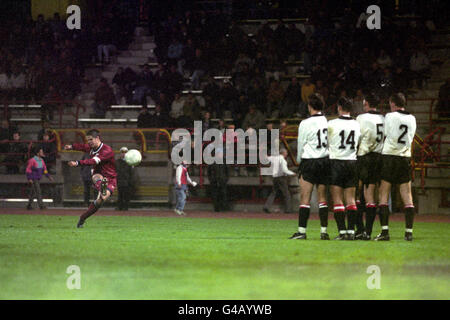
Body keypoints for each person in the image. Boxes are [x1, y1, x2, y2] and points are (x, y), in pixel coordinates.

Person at [375, 93, 417, 241]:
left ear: (393, 103)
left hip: (389, 157)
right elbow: (410, 137)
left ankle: (385, 232)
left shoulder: (390, 116)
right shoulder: (412, 118)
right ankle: (408, 232)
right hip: (404, 157)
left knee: (384, 193)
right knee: (407, 194)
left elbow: (386, 133)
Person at [290, 93, 330, 240]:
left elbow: (301, 145)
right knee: (322, 198)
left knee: (305, 197)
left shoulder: (305, 123)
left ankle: (302, 231)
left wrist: (299, 161)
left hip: (309, 161)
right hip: (324, 160)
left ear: (310, 106)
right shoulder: (327, 121)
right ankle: (324, 232)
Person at [64, 129, 117, 228]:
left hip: (110, 178)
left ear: (97, 138)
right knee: (96, 176)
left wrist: (78, 163)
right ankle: (102, 187)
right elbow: (83, 147)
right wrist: (71, 146)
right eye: (88, 140)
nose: (89, 142)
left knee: (101, 200)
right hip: (98, 174)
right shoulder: (91, 147)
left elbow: (94, 161)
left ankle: (83, 218)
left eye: (91, 139)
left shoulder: (107, 150)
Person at [328, 97, 361, 240]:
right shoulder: (357, 124)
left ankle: (342, 232)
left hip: (337, 162)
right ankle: (351, 232)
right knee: (351, 199)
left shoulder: (332, 123)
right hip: (352, 162)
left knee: (337, 199)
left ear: (339, 108)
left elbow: (327, 141)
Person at [355, 93, 385, 240]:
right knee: (370, 194)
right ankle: (366, 231)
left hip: (364, 157)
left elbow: (356, 137)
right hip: (378, 157)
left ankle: (362, 230)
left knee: (359, 194)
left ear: (366, 104)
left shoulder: (361, 118)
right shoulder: (383, 118)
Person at [263, 149, 296, 214]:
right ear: (283, 153)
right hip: (281, 178)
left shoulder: (275, 158)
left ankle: (266, 206)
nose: (287, 154)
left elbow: (267, 158)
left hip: (275, 177)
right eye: (286, 152)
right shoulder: (283, 160)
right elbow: (285, 170)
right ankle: (288, 210)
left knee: (273, 192)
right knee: (287, 194)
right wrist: (293, 173)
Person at [116, 147, 135, 211]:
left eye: (125, 152)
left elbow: (132, 173)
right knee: (120, 195)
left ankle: (126, 207)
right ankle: (119, 206)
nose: (123, 154)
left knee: (126, 195)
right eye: (122, 152)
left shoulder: (130, 162)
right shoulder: (117, 162)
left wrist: (131, 181)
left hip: (127, 181)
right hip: (119, 181)